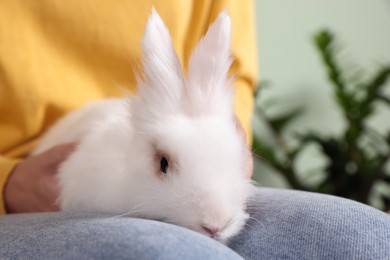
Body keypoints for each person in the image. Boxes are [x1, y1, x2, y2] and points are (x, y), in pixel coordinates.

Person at [0, 1, 389, 259]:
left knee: (365, 236)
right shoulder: (112, 162)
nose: (212, 220)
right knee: (179, 253)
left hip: (205, 166)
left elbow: (232, 72)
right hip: (20, 191)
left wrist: (229, 142)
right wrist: (7, 182)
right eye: (165, 164)